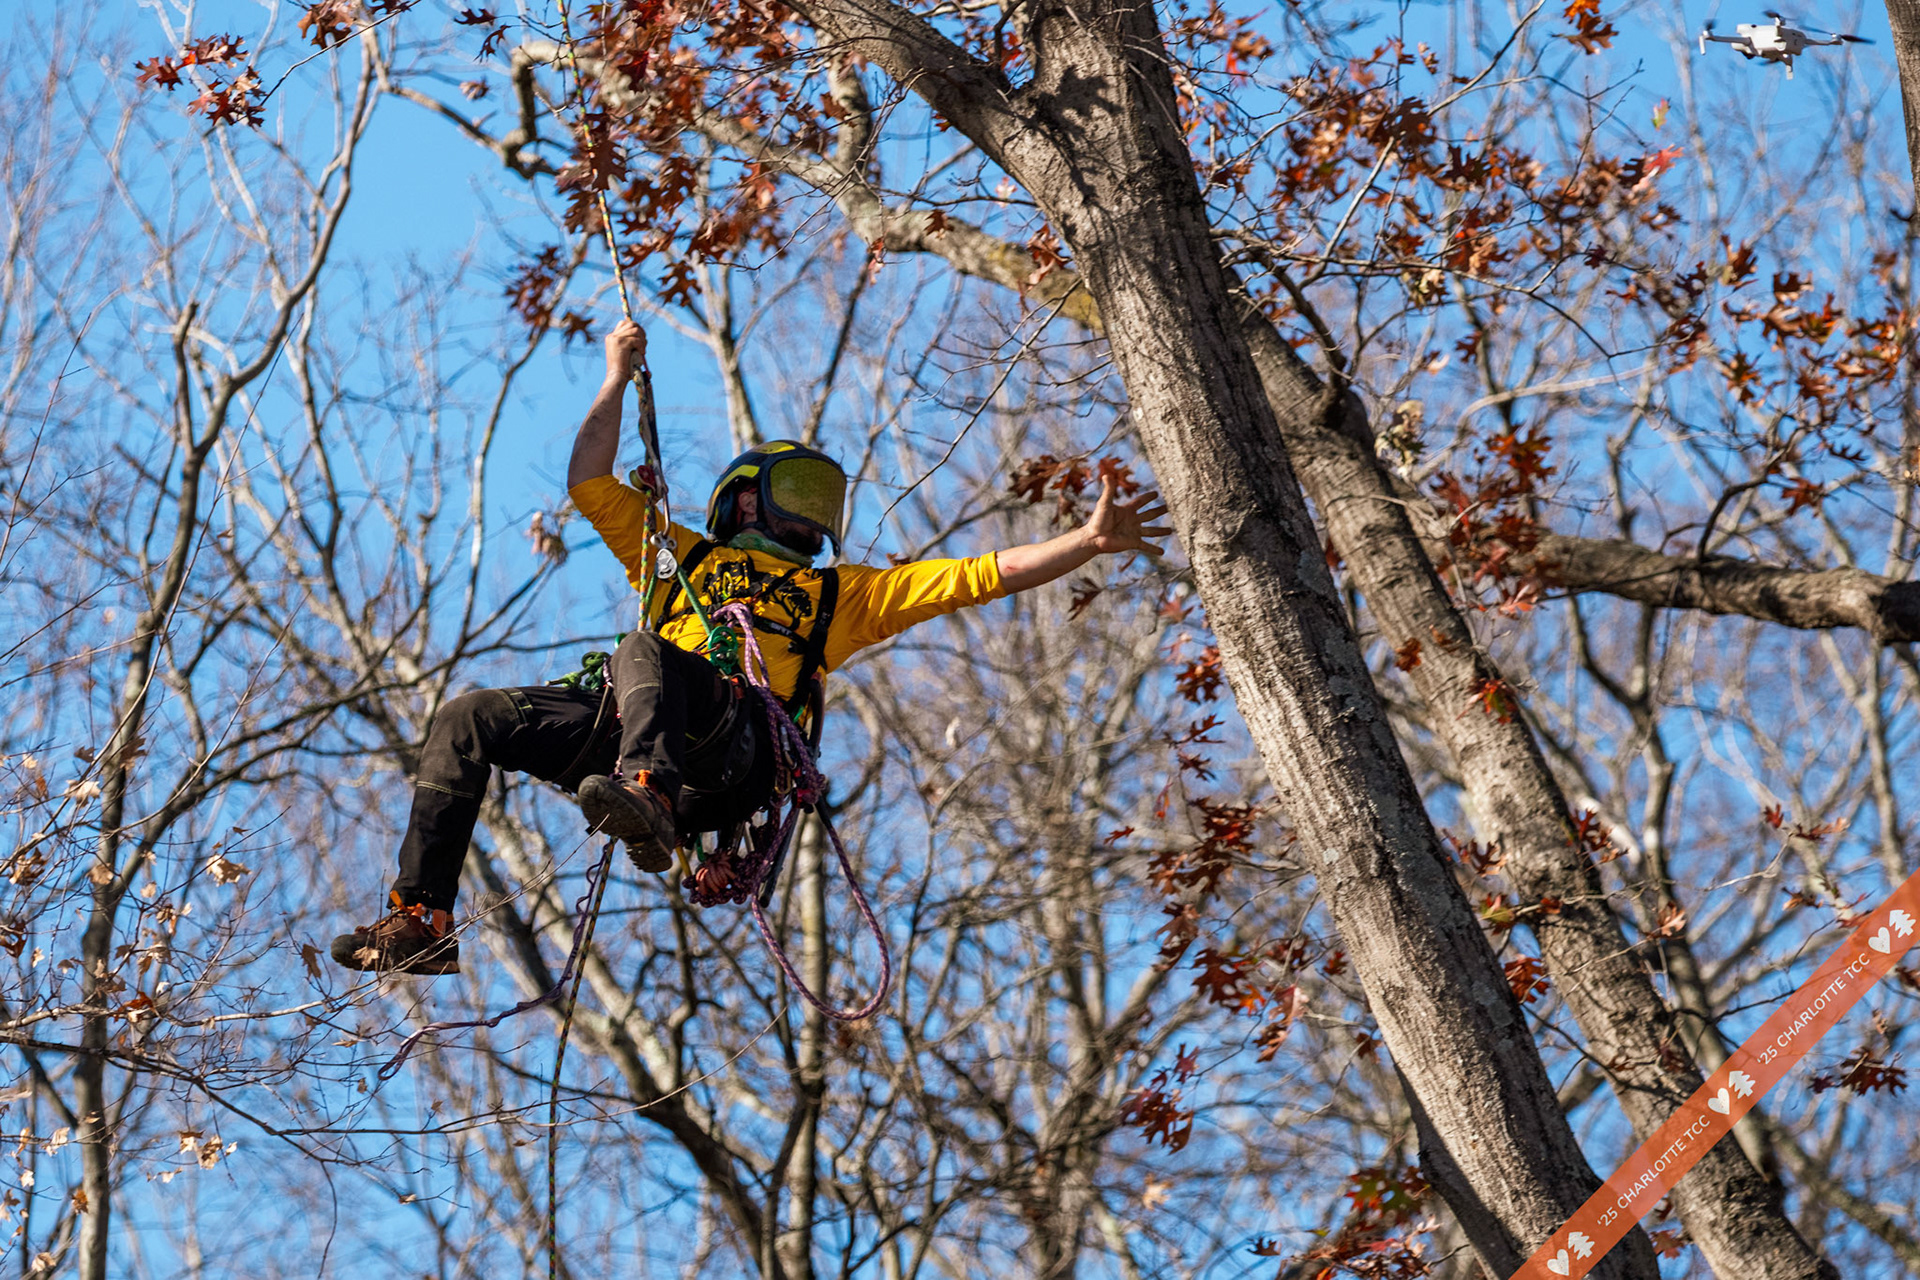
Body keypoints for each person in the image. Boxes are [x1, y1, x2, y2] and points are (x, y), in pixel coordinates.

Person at [331, 319, 1169, 975]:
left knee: (647, 653)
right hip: (641, 732)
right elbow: (589, 478)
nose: (808, 514)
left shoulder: (842, 595)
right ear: (743, 499)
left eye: (821, 500)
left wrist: (1084, 546)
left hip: (730, 757)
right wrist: (617, 376)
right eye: (794, 492)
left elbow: (976, 574)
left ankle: (648, 794)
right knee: (471, 715)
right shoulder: (682, 555)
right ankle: (422, 918)